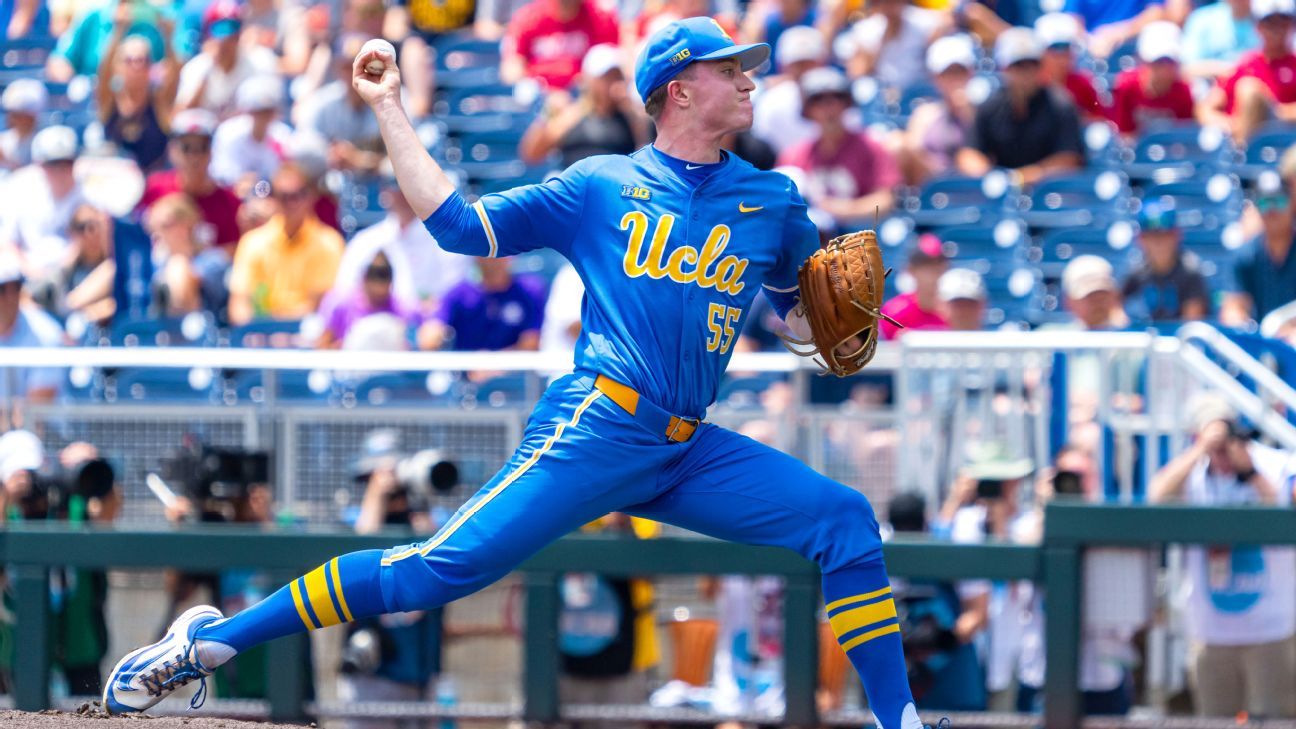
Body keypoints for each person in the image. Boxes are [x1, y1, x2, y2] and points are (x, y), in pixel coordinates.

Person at [104, 19, 925, 729]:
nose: (748, 79)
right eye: (728, 68)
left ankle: (903, 720)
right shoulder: (601, 185)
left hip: (687, 448)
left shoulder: (772, 200)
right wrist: (390, 107)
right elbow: (459, 227)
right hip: (599, 425)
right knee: (434, 571)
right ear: (678, 90)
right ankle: (207, 643)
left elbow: (796, 311)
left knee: (844, 519)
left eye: (746, 68)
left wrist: (820, 320)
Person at [1149, 394, 1296, 719]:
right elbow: (1157, 495)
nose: (1223, 453)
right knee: (1216, 719)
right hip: (1211, 632)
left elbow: (1285, 509)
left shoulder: (1274, 463)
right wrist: (1201, 449)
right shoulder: (1192, 470)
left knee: (1277, 719)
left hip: (1270, 629)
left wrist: (1249, 472)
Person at [956, 27, 1084, 186]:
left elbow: (1069, 160)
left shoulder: (1060, 104)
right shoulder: (991, 105)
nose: (1026, 72)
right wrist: (990, 178)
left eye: (1032, 64)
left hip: (1050, 194)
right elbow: (969, 154)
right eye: (1018, 66)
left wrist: (1020, 178)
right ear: (1004, 69)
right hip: (1001, 193)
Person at [777, 66, 900, 229]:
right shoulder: (794, 156)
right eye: (818, 100)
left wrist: (839, 209)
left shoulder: (871, 147)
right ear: (808, 109)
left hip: (860, 236)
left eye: (837, 98)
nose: (829, 108)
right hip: (811, 237)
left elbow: (885, 201)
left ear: (846, 103)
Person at [228, 163, 344, 325]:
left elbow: (318, 305)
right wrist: (255, 328)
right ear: (273, 199)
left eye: (298, 195)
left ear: (311, 196)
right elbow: (239, 303)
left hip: (307, 332)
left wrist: (276, 325)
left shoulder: (329, 243)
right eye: (284, 196)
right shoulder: (252, 242)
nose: (292, 203)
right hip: (259, 333)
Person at [334, 175, 471, 311]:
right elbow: (344, 294)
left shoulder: (448, 242)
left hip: (431, 321)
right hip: (374, 320)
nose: (403, 192)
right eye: (395, 184)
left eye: (409, 184)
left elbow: (454, 296)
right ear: (383, 190)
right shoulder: (365, 241)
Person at [518, 44, 647, 168]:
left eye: (616, 76)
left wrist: (630, 109)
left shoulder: (630, 117)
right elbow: (532, 154)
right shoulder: (570, 115)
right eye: (606, 77)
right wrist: (548, 113)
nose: (612, 82)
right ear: (589, 80)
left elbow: (644, 151)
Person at [136, 110, 243, 251]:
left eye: (202, 147)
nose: (194, 157)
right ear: (172, 151)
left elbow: (236, 250)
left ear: (212, 151)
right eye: (186, 147)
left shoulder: (230, 202)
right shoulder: (154, 188)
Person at [1199, 0, 1296, 144]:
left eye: (1282, 23)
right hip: (1242, 139)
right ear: (1258, 27)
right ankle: (1241, 150)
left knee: (1250, 89)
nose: (1276, 29)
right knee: (1248, 88)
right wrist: (1230, 124)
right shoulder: (1246, 64)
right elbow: (1206, 108)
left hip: (1285, 140)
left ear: (1291, 26)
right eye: (1269, 23)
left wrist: (1272, 113)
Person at [0, 126, 86, 288]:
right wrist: (32, 272)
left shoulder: (87, 193)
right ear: (39, 164)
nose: (61, 170)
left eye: (67, 162)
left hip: (75, 274)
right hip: (25, 275)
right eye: (53, 163)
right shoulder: (20, 188)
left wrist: (59, 272)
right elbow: (7, 243)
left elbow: (91, 243)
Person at [97, 7, 178, 173]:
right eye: (129, 60)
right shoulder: (109, 101)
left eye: (142, 60)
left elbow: (175, 78)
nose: (136, 66)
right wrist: (118, 31)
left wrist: (168, 38)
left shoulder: (159, 102)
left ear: (150, 66)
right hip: (114, 180)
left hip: (152, 180)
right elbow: (103, 74)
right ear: (117, 66)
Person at [1220, 154, 1296, 326]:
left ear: (1291, 203)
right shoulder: (1246, 255)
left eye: (1279, 201)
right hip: (1260, 340)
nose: (1272, 210)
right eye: (1265, 202)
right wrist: (1240, 323)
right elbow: (1233, 306)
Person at [298, 36, 388, 174]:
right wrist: (331, 154)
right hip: (335, 178)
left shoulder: (391, 100)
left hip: (381, 183)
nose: (354, 73)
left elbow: (408, 156)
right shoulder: (325, 100)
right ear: (337, 68)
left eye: (361, 66)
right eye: (347, 67)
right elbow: (301, 144)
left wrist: (361, 160)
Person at [174, 0, 279, 119]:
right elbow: (179, 118)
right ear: (208, 36)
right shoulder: (196, 68)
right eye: (219, 34)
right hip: (208, 129)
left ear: (239, 34)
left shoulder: (261, 61)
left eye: (232, 34)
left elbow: (271, 114)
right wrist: (205, 77)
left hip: (245, 129)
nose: (226, 41)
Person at [419, 257, 546, 351]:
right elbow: (428, 338)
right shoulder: (459, 292)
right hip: (466, 374)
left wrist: (491, 366)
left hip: (514, 375)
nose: (494, 257)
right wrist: (436, 332)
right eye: (487, 249)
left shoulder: (529, 290)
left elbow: (531, 344)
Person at [900, 33, 977, 185]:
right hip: (931, 184)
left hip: (971, 184)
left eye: (959, 72)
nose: (954, 79)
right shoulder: (924, 114)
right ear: (935, 78)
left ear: (970, 74)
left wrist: (966, 112)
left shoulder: (983, 112)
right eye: (947, 73)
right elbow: (913, 153)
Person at [750, 25, 834, 156]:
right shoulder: (770, 103)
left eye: (810, 62)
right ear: (783, 66)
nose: (805, 69)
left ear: (822, 62)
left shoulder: (839, 98)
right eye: (798, 64)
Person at [1120, 201, 1210, 323]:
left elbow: (1192, 322)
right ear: (1141, 239)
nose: (1159, 243)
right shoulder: (1136, 273)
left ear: (1177, 236)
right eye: (1152, 236)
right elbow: (1117, 309)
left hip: (1181, 334)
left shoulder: (1190, 271)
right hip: (1146, 333)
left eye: (1165, 235)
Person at [143, 193, 230, 318]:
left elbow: (185, 300)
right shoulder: (155, 264)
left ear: (185, 226)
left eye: (164, 225)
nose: (156, 234)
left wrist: (178, 260)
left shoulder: (214, 260)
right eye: (152, 227)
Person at [500, 0, 618, 90]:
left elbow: (612, 68)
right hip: (539, 97)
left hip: (584, 96)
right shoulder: (528, 17)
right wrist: (546, 93)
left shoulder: (599, 17)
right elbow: (511, 69)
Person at [316, 251, 424, 349]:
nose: (379, 292)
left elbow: (420, 340)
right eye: (374, 295)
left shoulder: (404, 308)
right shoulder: (341, 304)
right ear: (364, 280)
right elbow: (323, 345)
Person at [46, 0, 171, 82]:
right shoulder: (93, 16)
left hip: (139, 103)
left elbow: (166, 69)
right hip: (90, 100)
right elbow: (59, 60)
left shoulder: (152, 21)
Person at [0, 249, 65, 406]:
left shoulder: (46, 335)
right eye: (1, 289)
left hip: (39, 422)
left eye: (16, 287)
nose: (9, 296)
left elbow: (33, 413)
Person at [1109, 21, 1194, 138]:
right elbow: (1124, 133)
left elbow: (1183, 134)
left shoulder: (1183, 91)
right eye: (1158, 62)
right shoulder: (1126, 86)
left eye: (1169, 62)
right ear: (1143, 60)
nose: (1164, 69)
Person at [843, 0, 946, 92]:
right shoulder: (867, 29)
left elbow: (946, 19)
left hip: (918, 90)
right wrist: (882, 42)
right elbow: (856, 72)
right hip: (882, 92)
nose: (891, 5)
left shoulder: (923, 21)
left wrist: (931, 40)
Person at [210, 77, 293, 188]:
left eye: (267, 111)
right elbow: (221, 174)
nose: (262, 116)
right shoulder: (228, 133)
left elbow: (286, 177)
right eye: (257, 111)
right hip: (234, 192)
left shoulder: (282, 136)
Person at [1033, 13, 1104, 122]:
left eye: (1067, 47)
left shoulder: (1083, 84)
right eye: (1056, 48)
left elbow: (1099, 121)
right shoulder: (1032, 84)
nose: (1063, 56)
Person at [880, 235, 949, 339]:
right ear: (911, 269)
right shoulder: (894, 312)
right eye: (926, 266)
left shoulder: (954, 311)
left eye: (939, 264)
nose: (934, 271)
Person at [1182, 0, 1259, 81]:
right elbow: (1188, 67)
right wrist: (1229, 71)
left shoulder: (1265, 20)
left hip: (1255, 84)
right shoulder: (1201, 19)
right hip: (1211, 85)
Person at [0, 79, 47, 170]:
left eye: (21, 115)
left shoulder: (44, 141)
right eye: (13, 114)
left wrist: (6, 161)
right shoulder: (3, 140)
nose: (13, 119)